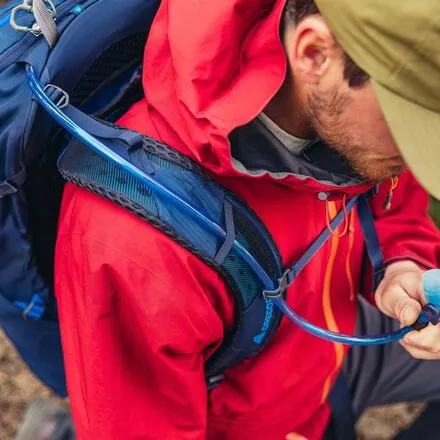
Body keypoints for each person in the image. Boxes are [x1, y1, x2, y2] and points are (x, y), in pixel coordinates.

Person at [54, 0, 440, 439]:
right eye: (406, 122)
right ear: (313, 53)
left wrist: (401, 263)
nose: (414, 155)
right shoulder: (135, 239)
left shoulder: (352, 117)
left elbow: (391, 201)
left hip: (324, 353)